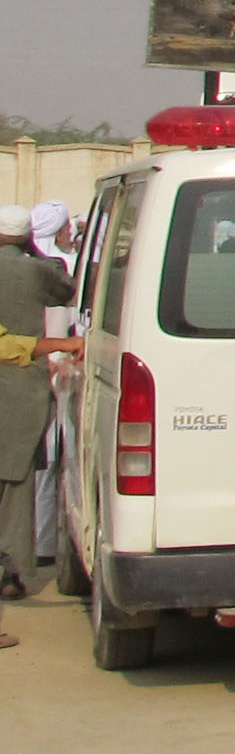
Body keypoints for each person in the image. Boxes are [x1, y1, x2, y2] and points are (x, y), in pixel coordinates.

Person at [0, 204, 76, 620]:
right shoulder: (35, 270)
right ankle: (13, 572)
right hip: (20, 391)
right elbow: (67, 290)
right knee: (17, 486)